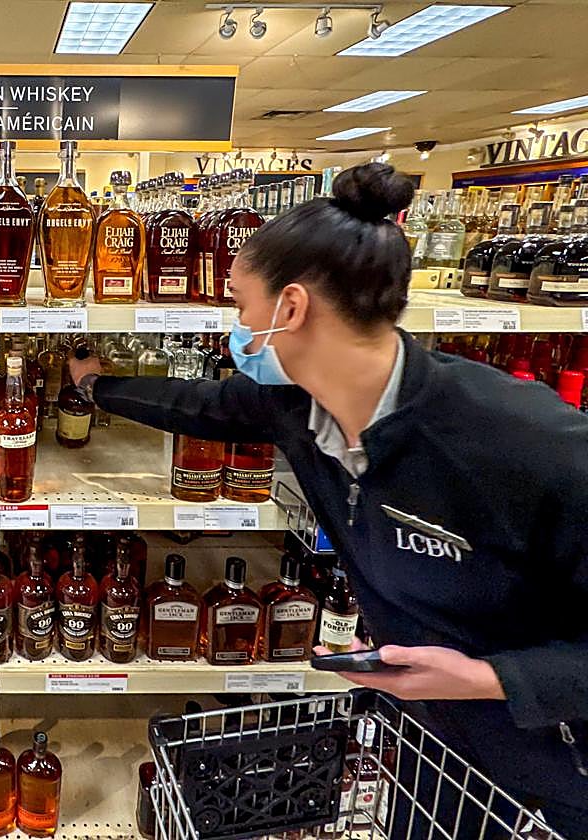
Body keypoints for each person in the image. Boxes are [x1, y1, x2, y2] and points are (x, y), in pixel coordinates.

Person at [68, 164, 588, 838]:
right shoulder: (297, 403)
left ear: (290, 309)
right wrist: (95, 387)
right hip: (438, 750)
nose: (236, 326)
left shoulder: (526, 442)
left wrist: (491, 677)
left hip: (558, 769)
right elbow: (198, 405)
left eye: (238, 304)